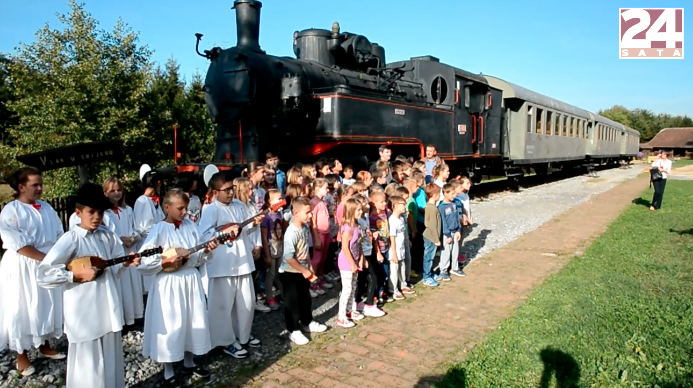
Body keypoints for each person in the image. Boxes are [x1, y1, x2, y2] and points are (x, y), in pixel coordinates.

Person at [38, 183, 141, 388]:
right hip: (85, 313)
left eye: (100, 212)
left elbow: (113, 270)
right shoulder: (71, 239)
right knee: (89, 365)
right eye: (91, 212)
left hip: (107, 307)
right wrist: (73, 275)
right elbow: (43, 275)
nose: (96, 217)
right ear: (78, 212)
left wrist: (126, 263)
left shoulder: (107, 235)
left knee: (110, 360)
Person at [137, 188, 219, 387]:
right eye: (180, 208)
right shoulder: (159, 230)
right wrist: (165, 260)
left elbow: (197, 254)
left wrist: (206, 251)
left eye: (185, 208)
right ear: (167, 207)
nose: (184, 212)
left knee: (192, 319)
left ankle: (190, 361)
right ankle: (168, 369)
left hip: (190, 279)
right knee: (172, 324)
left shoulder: (191, 226)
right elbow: (143, 260)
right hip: (168, 283)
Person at [0, 167, 66, 376]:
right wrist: (46, 258)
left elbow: (58, 233)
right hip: (22, 265)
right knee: (23, 307)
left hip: (46, 262)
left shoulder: (46, 207)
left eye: (40, 184)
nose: (39, 188)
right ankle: (21, 356)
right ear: (21, 187)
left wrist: (57, 256)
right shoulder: (11, 210)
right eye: (34, 185)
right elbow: (16, 243)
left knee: (45, 303)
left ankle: (44, 344)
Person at [198, 172, 264, 359]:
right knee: (223, 306)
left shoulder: (239, 205)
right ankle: (226, 341)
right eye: (226, 190)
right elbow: (204, 235)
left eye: (232, 189)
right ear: (215, 191)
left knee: (246, 302)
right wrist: (224, 232)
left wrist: (254, 223)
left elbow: (246, 229)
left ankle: (242, 335)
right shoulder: (211, 209)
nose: (230, 193)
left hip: (242, 260)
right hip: (221, 264)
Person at [279, 197, 328, 345]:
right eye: (307, 213)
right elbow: (288, 257)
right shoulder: (291, 232)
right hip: (289, 273)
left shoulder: (305, 229)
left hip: (302, 271)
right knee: (292, 302)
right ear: (296, 213)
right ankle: (293, 330)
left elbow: (305, 249)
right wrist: (302, 269)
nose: (310, 215)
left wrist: (309, 266)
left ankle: (307, 322)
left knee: (305, 298)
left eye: (311, 212)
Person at [103, 177, 145, 326]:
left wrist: (134, 238)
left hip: (130, 250)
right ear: (105, 193)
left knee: (132, 285)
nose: (116, 193)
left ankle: (133, 316)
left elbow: (135, 228)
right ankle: (122, 318)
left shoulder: (127, 210)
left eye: (119, 190)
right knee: (121, 286)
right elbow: (107, 233)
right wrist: (120, 240)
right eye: (112, 190)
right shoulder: (105, 214)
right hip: (117, 253)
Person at [134, 170, 165, 294]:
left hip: (157, 245)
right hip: (148, 245)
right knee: (150, 286)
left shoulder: (153, 201)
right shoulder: (142, 201)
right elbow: (143, 227)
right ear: (158, 183)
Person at [336, 198, 365, 328]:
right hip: (346, 263)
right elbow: (345, 248)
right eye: (358, 210)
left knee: (353, 288)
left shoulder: (357, 225)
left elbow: (359, 244)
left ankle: (349, 311)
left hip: (355, 260)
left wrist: (361, 258)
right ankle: (341, 317)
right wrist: (352, 263)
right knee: (346, 289)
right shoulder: (347, 228)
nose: (361, 211)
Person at [261, 189, 284, 311]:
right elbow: (264, 237)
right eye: (278, 199)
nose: (281, 200)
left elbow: (282, 232)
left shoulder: (279, 214)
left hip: (279, 248)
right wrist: (267, 255)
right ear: (270, 201)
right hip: (271, 250)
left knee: (279, 273)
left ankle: (283, 293)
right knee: (270, 275)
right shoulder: (266, 217)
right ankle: (269, 297)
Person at [309, 178, 331, 295]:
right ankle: (312, 283)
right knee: (316, 260)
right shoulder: (314, 203)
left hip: (326, 233)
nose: (327, 190)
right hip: (320, 234)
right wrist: (316, 237)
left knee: (323, 258)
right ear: (318, 189)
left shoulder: (322, 202)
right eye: (325, 188)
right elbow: (313, 222)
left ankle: (319, 278)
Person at [369, 191, 392, 303]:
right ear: (373, 203)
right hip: (378, 249)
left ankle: (382, 291)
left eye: (385, 201)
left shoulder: (384, 214)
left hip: (386, 247)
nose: (385, 203)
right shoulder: (372, 218)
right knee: (378, 273)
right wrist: (377, 252)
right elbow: (374, 238)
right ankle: (375, 294)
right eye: (381, 202)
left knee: (385, 272)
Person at [438, 184, 461, 282]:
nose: (454, 196)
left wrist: (458, 230)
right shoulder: (441, 207)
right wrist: (447, 235)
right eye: (452, 194)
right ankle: (443, 270)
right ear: (445, 193)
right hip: (447, 234)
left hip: (455, 232)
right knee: (446, 252)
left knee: (455, 250)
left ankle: (455, 268)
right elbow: (443, 222)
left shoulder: (454, 204)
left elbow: (457, 218)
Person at [387, 195, 408, 301]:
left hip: (402, 248)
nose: (405, 206)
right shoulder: (392, 220)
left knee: (402, 268)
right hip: (395, 250)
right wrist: (394, 253)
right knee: (394, 270)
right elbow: (392, 237)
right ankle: (393, 290)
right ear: (395, 206)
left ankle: (402, 285)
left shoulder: (402, 218)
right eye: (403, 204)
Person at [422, 183, 442, 287]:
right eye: (439, 194)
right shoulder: (432, 208)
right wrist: (436, 239)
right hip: (431, 237)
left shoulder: (429, 206)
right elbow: (432, 225)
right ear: (434, 195)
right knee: (428, 257)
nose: (439, 196)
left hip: (430, 236)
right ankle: (426, 277)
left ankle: (430, 273)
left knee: (430, 256)